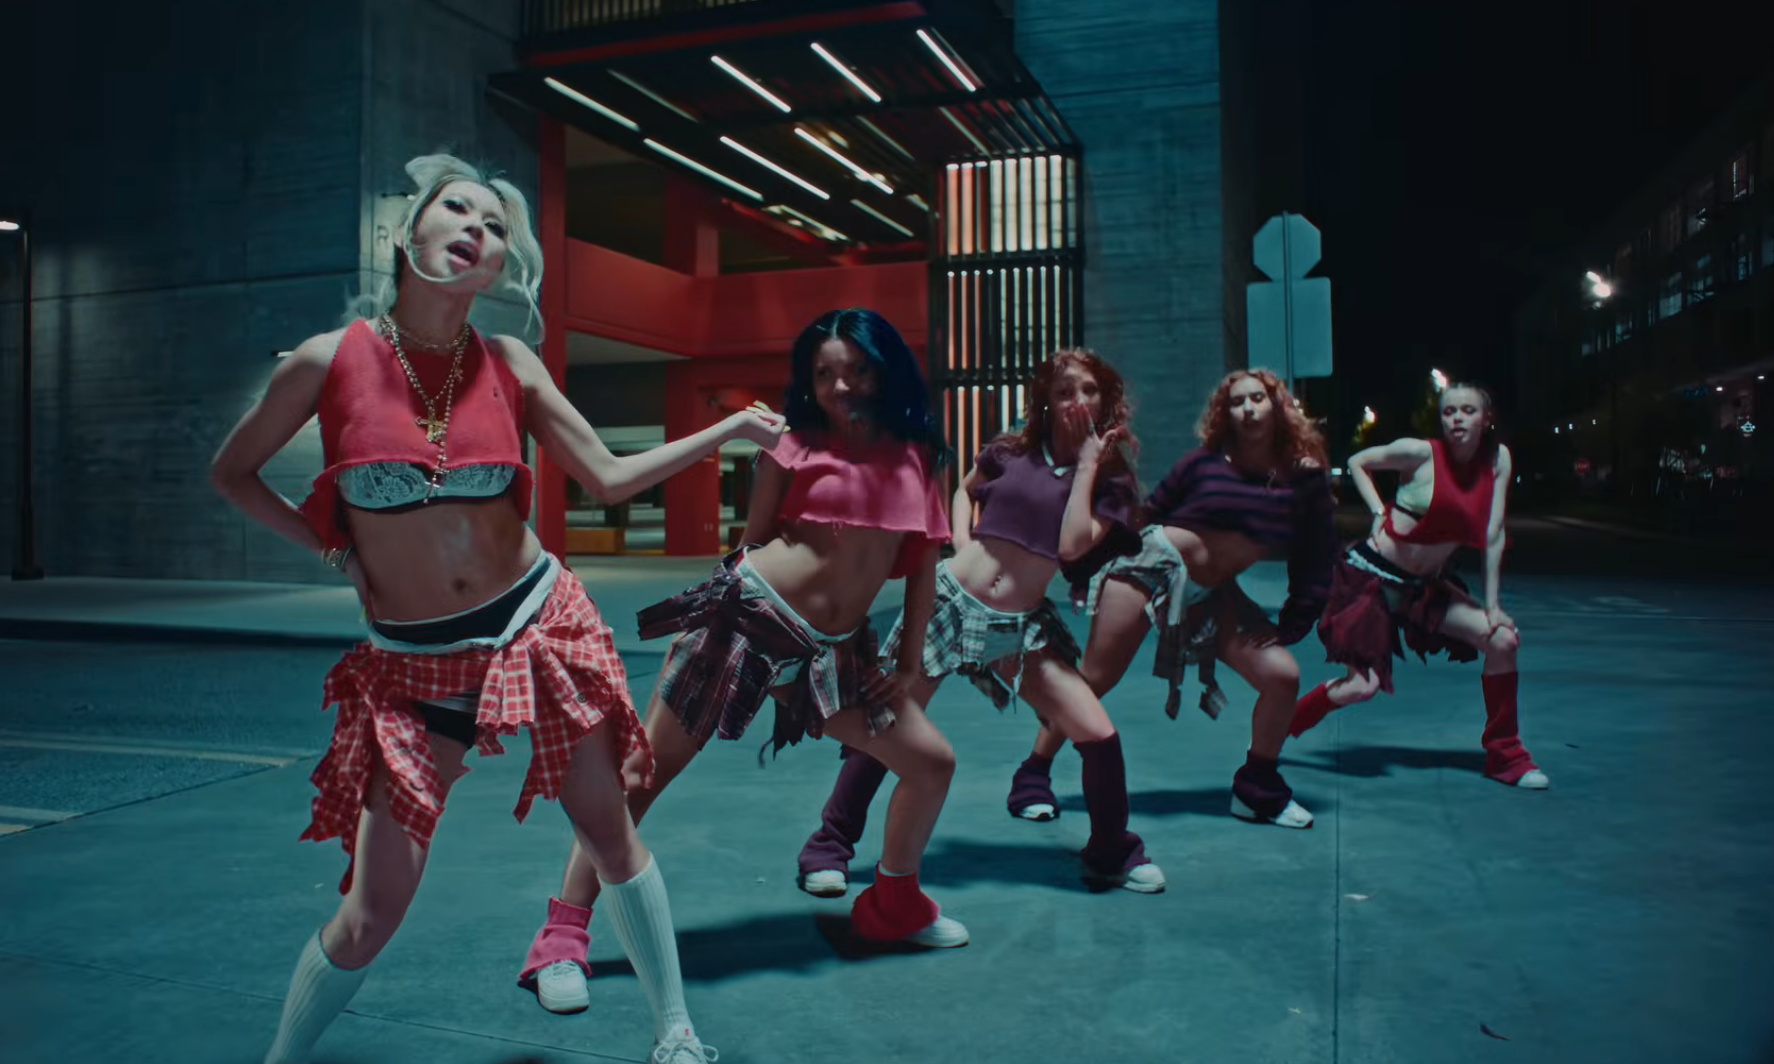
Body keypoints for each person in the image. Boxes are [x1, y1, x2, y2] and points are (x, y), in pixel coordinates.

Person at [210, 153, 781, 1064]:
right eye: (458, 209)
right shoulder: (329, 361)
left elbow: (608, 477)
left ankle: (677, 1032)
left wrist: (730, 428)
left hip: (534, 626)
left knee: (609, 831)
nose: (476, 228)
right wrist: (332, 548)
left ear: (497, 268)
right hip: (413, 662)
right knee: (372, 911)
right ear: (411, 232)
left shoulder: (509, 364)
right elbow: (232, 474)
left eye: (495, 226)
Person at [518, 307, 968, 1016]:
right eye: (824, 374)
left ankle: (895, 905)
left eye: (856, 370)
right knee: (641, 775)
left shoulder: (919, 457)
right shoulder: (792, 443)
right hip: (748, 620)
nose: (840, 386)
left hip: (835, 650)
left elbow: (922, 567)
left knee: (931, 761)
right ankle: (560, 939)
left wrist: (907, 664)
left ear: (886, 370)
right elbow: (754, 542)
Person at [794, 348, 1167, 897]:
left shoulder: (1111, 482)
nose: (1076, 401)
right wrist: (962, 541)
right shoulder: (1013, 451)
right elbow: (965, 489)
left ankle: (1112, 851)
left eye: (1088, 390)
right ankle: (828, 846)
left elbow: (1071, 547)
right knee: (888, 726)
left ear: (1105, 399)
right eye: (1064, 391)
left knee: (1097, 732)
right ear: (1047, 400)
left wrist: (1088, 466)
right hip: (949, 604)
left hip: (1020, 625)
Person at [1002, 369, 1338, 830]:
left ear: (1277, 405)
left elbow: (1316, 551)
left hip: (1213, 592)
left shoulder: (1304, 477)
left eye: (1257, 398)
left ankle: (1257, 788)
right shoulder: (1203, 464)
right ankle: (1033, 774)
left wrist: (1298, 616)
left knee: (1282, 676)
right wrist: (1088, 568)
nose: (1247, 408)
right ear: (1226, 414)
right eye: (1237, 401)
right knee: (1095, 679)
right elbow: (1146, 516)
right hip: (1152, 566)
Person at [1289, 382, 1550, 790]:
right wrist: (1379, 511)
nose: (1457, 418)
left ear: (1486, 419)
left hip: (1421, 589)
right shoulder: (1420, 453)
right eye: (1449, 411)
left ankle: (1506, 756)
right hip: (1368, 579)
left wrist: (1493, 606)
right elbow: (1359, 461)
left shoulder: (1497, 460)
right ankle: (1284, 722)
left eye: (1467, 411)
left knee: (1502, 640)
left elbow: (1494, 533)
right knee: (1362, 686)